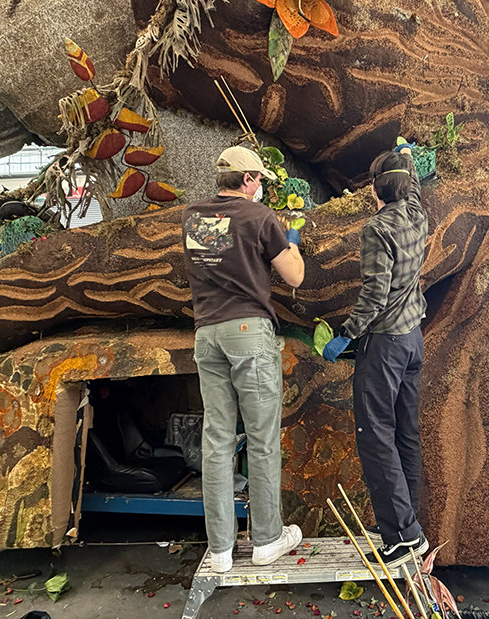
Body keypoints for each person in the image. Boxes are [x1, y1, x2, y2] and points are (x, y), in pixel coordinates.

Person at [182, 145, 306, 573]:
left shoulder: (195, 217)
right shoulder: (259, 217)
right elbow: (294, 276)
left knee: (216, 440)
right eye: (260, 181)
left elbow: (221, 255)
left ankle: (220, 550)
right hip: (248, 333)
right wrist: (291, 241)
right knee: (260, 438)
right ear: (250, 180)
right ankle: (267, 539)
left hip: (207, 334)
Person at [322, 144, 429, 569]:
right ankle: (412, 524)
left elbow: (374, 294)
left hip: (383, 343)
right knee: (406, 431)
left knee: (375, 436)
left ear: (373, 190)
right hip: (413, 339)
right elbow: (413, 185)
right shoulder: (417, 213)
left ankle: (403, 537)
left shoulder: (377, 228)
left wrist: (345, 334)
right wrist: (403, 154)